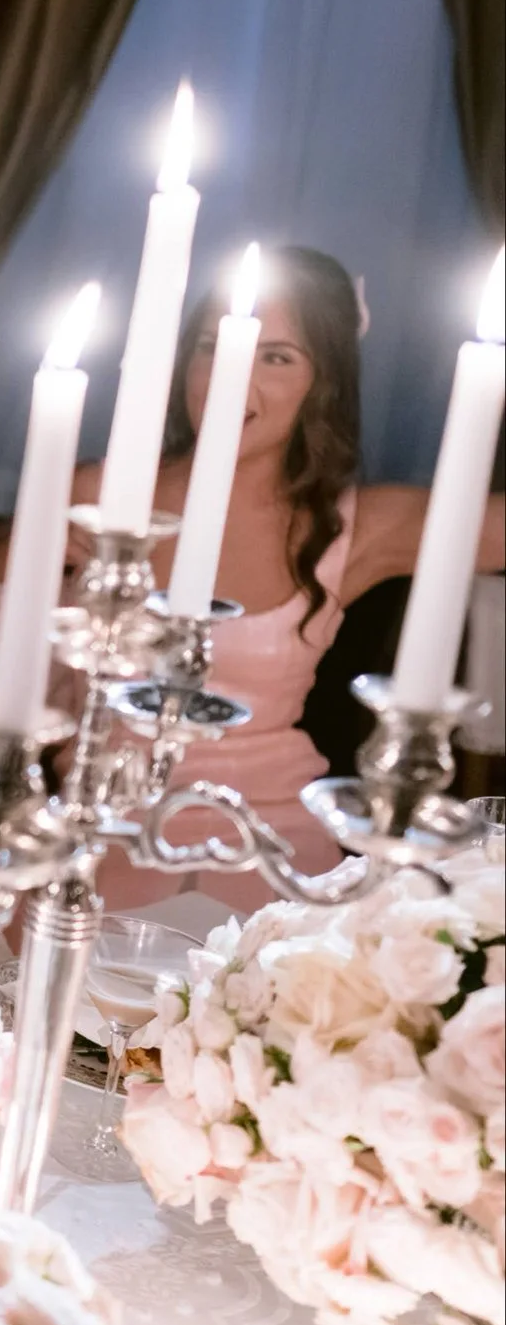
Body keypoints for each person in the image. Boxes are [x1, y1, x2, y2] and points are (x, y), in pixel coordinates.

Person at [72, 246, 506, 910]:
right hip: (108, 824)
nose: (230, 376)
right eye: (213, 346)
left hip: (274, 841)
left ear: (320, 382)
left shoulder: (359, 526)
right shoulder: (103, 499)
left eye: (276, 356)